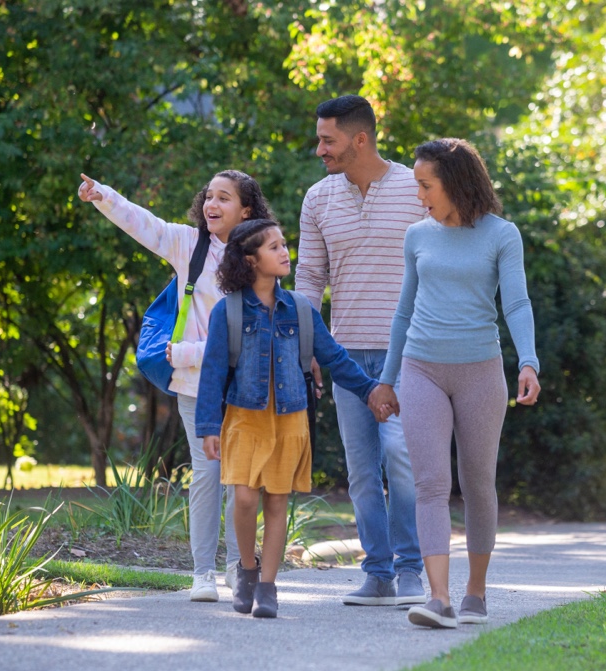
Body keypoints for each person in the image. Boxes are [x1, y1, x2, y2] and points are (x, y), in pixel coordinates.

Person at [78, 170, 274, 602]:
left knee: (239, 480)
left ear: (246, 209)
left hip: (243, 385)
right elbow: (143, 223)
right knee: (207, 474)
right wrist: (103, 195)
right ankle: (203, 573)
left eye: (224, 197)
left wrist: (187, 353)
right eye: (209, 195)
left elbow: (257, 333)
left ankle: (235, 566)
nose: (212, 204)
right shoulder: (190, 245)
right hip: (198, 387)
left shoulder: (259, 254)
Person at [369, 138, 541, 629]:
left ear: (456, 182)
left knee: (477, 483)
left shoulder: (502, 235)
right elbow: (403, 312)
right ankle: (438, 598)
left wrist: (527, 361)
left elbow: (517, 304)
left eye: (426, 185)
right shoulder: (417, 236)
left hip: (480, 372)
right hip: (421, 368)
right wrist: (387, 379)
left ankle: (475, 592)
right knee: (429, 483)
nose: (420, 195)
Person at [195, 219, 384, 619]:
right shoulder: (226, 312)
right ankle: (247, 569)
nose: (285, 252)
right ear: (251, 260)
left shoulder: (300, 309)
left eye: (285, 244)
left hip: (290, 418)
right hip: (244, 418)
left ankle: (268, 586)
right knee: (244, 499)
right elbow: (212, 373)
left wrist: (370, 391)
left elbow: (334, 357)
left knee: (277, 502)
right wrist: (208, 426)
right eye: (275, 247)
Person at [295, 95, 427, 607]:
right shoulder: (318, 198)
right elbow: (309, 276)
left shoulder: (414, 189)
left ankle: (412, 567)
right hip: (345, 356)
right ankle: (378, 573)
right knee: (362, 470)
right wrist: (307, 342)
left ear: (360, 139)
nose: (319, 149)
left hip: (407, 354)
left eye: (328, 139)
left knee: (402, 457)